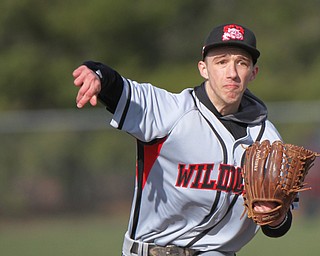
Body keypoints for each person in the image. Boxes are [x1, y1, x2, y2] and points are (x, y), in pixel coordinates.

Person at [72, 23, 294, 256]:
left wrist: (275, 216)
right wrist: (96, 74)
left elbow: (279, 226)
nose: (232, 73)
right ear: (203, 69)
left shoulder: (268, 140)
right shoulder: (171, 110)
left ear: (253, 73)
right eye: (221, 62)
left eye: (242, 63)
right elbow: (118, 87)